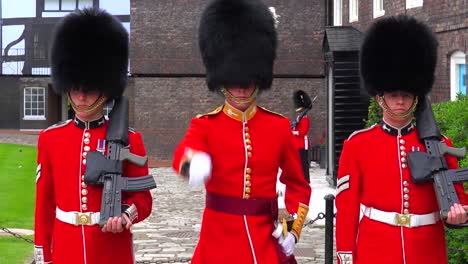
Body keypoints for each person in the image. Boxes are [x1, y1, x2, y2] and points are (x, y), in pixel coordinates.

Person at [172, 0, 311, 263]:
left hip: (265, 239)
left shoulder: (278, 126)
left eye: (247, 81)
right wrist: (193, 164)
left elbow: (297, 184)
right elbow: (183, 153)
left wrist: (293, 229)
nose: (241, 88)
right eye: (234, 81)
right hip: (218, 238)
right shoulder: (205, 124)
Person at [335, 15, 468, 264]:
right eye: (393, 94)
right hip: (376, 251)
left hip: (427, 251)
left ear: (416, 96)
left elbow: (458, 199)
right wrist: (345, 257)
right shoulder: (358, 145)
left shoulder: (441, 144)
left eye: (406, 94)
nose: (400, 101)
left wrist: (458, 216)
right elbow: (347, 210)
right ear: (379, 97)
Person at [34, 8, 153, 264]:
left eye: (89, 88)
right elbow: (44, 205)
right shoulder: (50, 138)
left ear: (106, 87)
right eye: (75, 87)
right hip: (67, 249)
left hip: (111, 249)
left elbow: (143, 199)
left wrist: (125, 215)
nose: (81, 96)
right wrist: (43, 252)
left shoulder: (131, 139)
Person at [291, 90, 312, 183]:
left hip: (302, 143)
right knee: (298, 162)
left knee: (304, 163)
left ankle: (306, 179)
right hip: (297, 144)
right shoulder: (299, 118)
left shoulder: (305, 119)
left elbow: (303, 132)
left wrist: (294, 132)